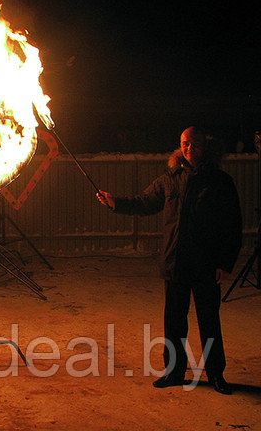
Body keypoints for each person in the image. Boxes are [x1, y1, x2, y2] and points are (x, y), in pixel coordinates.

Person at [97, 127, 242, 394]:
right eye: (185, 144)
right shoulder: (170, 179)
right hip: (175, 263)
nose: (189, 149)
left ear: (204, 147)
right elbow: (144, 202)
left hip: (207, 264)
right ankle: (174, 372)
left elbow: (232, 225)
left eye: (194, 144)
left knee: (209, 321)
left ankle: (216, 375)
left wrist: (225, 262)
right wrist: (115, 202)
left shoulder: (220, 181)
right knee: (174, 322)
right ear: (180, 146)